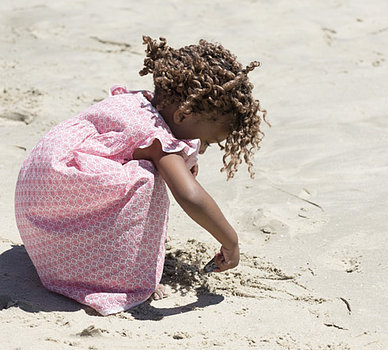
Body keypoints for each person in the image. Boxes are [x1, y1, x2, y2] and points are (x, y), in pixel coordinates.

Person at [14, 36, 267, 315]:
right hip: (62, 209)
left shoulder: (138, 103)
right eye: (206, 139)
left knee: (150, 165)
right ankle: (115, 280)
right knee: (148, 176)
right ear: (183, 116)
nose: (202, 148)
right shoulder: (157, 140)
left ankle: (81, 258)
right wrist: (230, 240)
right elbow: (190, 195)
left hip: (39, 202)